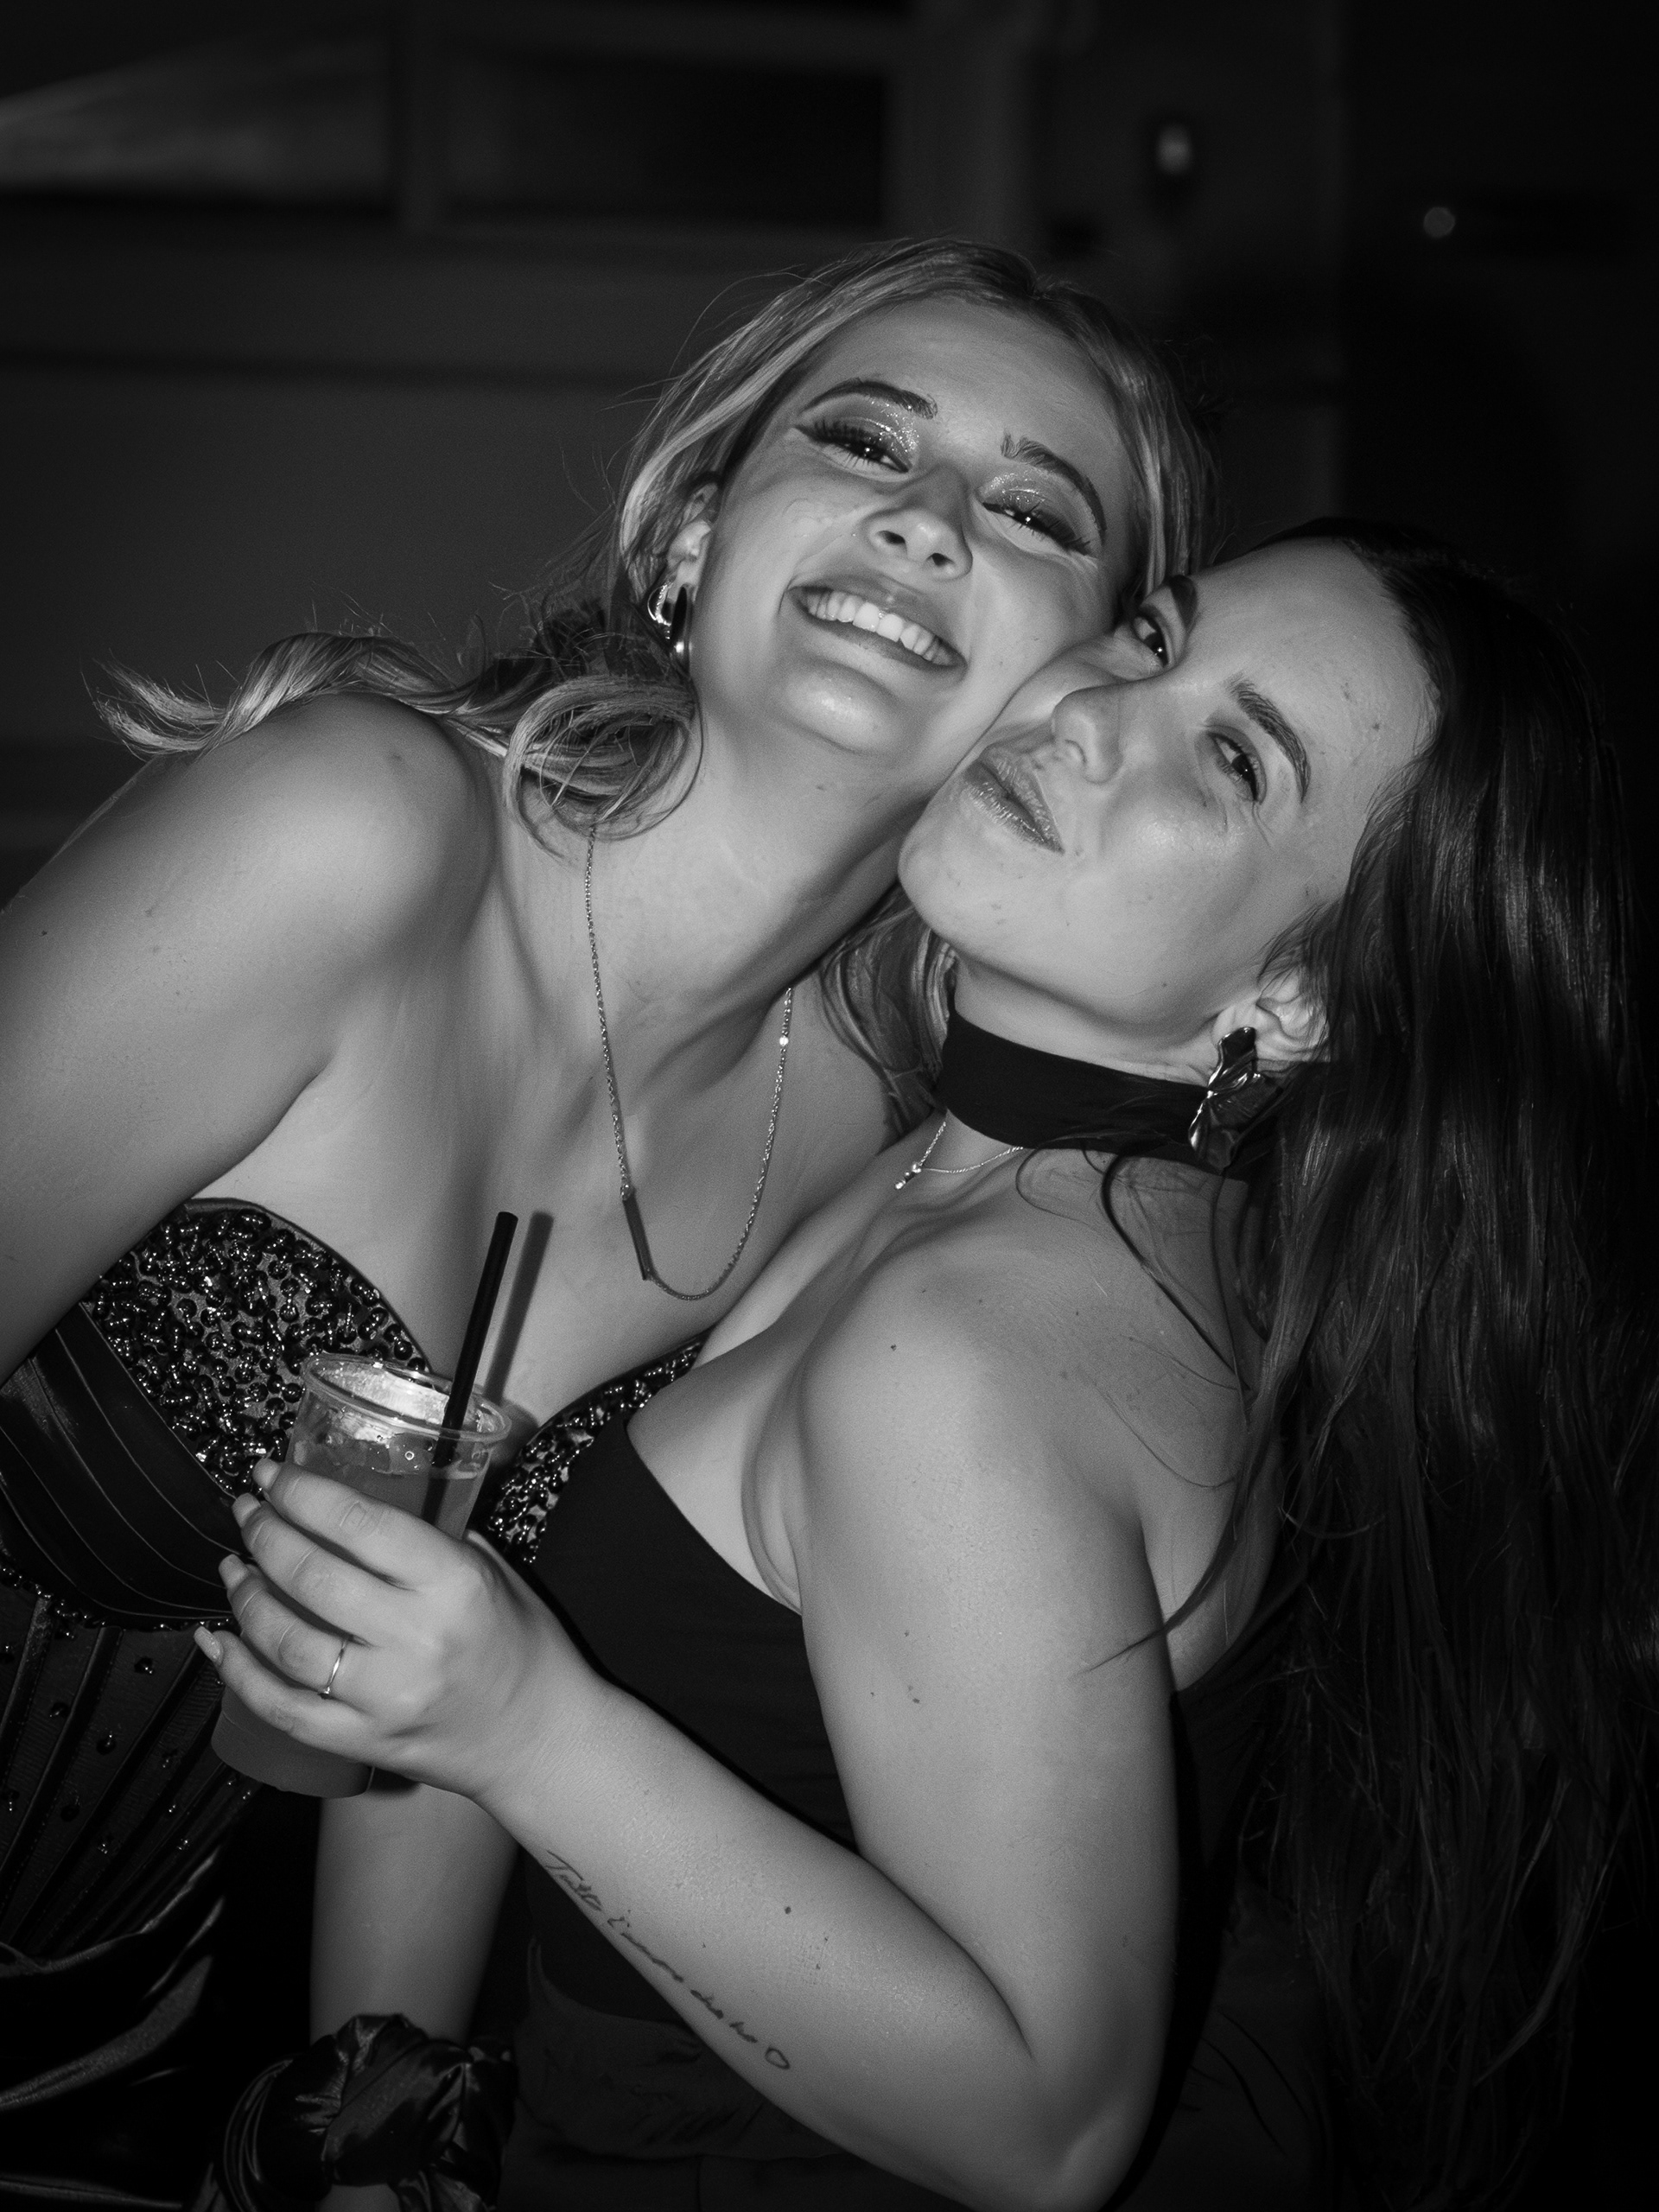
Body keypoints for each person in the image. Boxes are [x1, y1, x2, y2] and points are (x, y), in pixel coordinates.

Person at [200, 521, 1656, 2208]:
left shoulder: (964, 1354)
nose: (1094, 713)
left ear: (1302, 998)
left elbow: (1047, 2122)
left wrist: (521, 1724)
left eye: (1235, 760)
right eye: (1151, 639)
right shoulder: (1030, 1181)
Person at [0, 238, 1212, 2208]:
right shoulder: (348, 837)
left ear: (1078, 685)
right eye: (866, 440)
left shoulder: (864, 1138)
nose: (928, 520)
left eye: (1032, 511)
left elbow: (454, 1707)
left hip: (139, 2074)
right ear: (697, 530)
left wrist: (358, 2131)